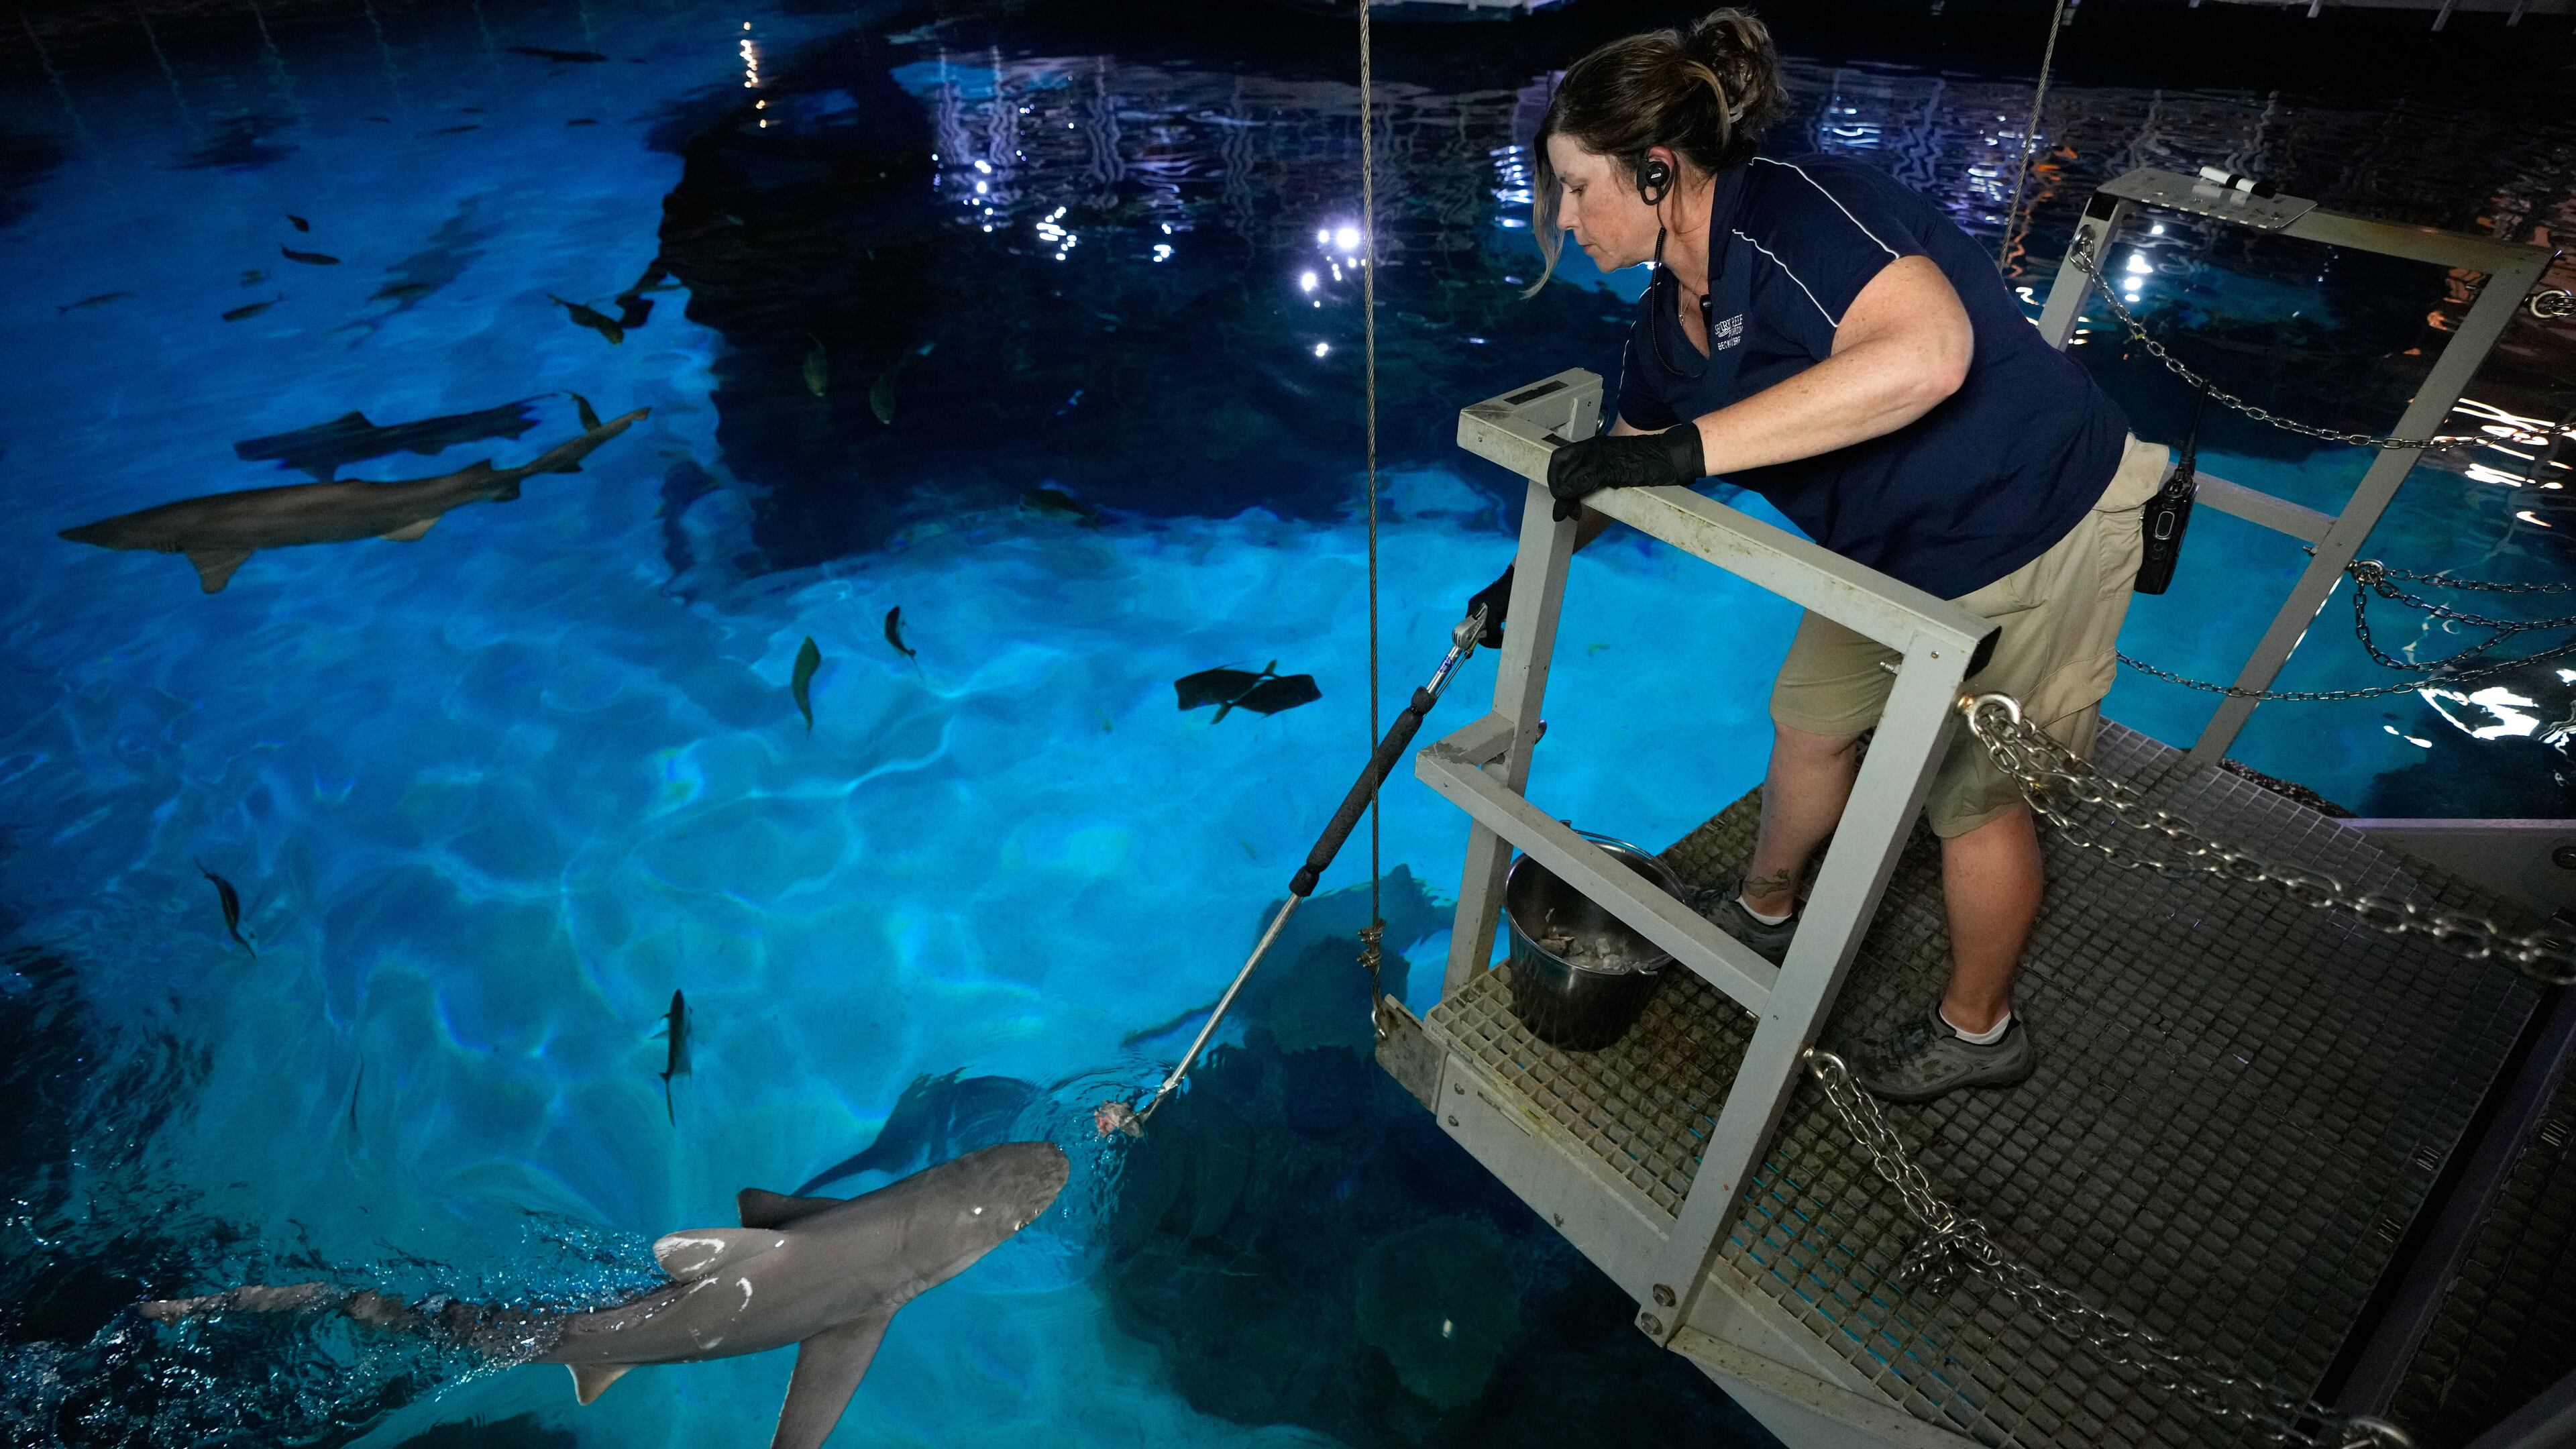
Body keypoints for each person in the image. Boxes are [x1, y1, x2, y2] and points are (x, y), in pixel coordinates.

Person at [1466, 8, 2170, 1104]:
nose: (1562, 213)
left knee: (1976, 804)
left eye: (1574, 185)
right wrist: (1536, 563)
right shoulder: (1665, 319)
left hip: (2039, 522)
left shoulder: (1797, 209)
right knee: (1808, 721)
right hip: (1890, 557)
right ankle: (1764, 912)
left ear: (1656, 173)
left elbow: (1930, 355)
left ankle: (1982, 1029)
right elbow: (1635, 458)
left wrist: (1697, 450)